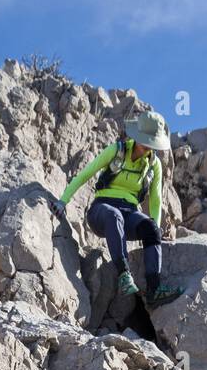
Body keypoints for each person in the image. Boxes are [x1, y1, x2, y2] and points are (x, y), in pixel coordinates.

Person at [52, 110, 181, 307]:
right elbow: (85, 174)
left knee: (152, 229)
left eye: (151, 142)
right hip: (101, 211)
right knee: (114, 215)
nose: (147, 146)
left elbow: (155, 200)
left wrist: (154, 225)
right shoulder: (116, 150)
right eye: (145, 140)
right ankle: (124, 275)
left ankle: (154, 290)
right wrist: (63, 201)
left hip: (130, 212)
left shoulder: (154, 164)